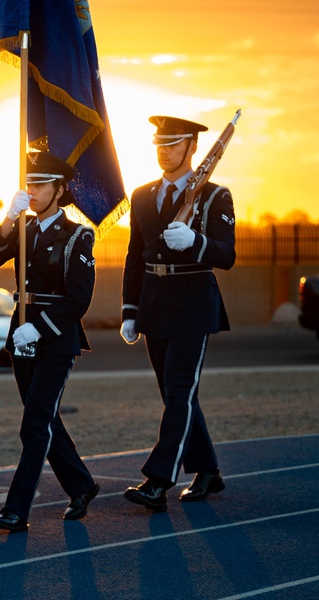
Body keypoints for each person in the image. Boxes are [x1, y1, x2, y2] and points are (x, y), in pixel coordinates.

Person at [119, 115, 236, 511]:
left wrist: (196, 240)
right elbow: (135, 256)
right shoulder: (142, 194)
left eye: (172, 144)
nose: (164, 150)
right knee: (176, 395)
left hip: (193, 303)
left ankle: (158, 480)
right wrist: (130, 309)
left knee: (180, 390)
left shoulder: (215, 196)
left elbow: (227, 254)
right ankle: (208, 472)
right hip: (154, 303)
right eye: (159, 143)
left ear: (192, 148)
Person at [0, 152, 100, 532]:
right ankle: (81, 485)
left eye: (40, 185)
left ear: (59, 190)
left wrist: (41, 326)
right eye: (29, 184)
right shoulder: (23, 228)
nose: (32, 191)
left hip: (55, 338)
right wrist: (8, 220)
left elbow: (79, 298)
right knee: (45, 419)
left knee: (34, 423)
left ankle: (17, 509)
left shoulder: (78, 235)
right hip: (21, 333)